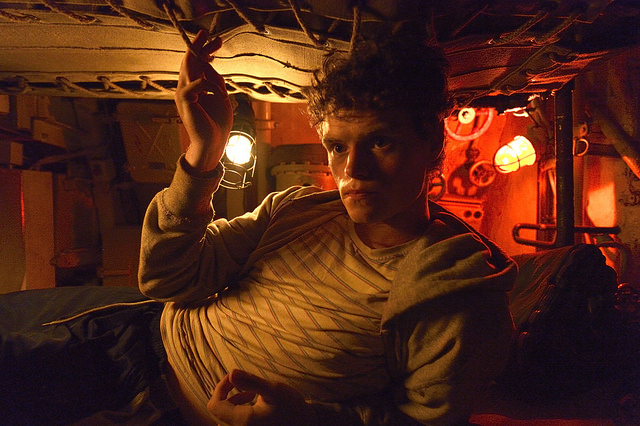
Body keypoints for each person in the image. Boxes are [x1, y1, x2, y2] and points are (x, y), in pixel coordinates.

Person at [138, 28, 517, 425]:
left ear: (433, 143)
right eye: (337, 147)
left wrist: (303, 420)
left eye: (380, 142)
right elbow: (165, 279)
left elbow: (423, 422)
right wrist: (205, 152)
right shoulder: (299, 208)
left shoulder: (454, 294)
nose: (353, 169)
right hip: (138, 334)